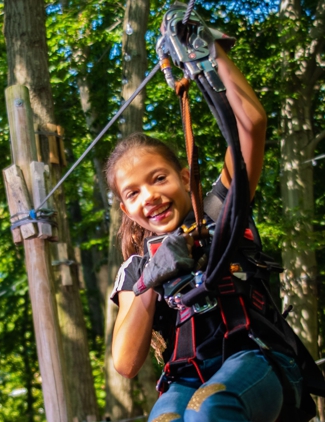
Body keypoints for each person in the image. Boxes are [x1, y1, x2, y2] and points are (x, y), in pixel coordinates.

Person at [105, 41, 311, 421]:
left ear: (185, 178)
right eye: (133, 193)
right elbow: (126, 362)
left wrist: (210, 52)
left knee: (211, 407)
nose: (149, 196)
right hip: (185, 377)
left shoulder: (220, 209)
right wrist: (152, 279)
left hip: (256, 356)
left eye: (159, 179)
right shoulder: (135, 271)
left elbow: (251, 125)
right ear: (126, 210)